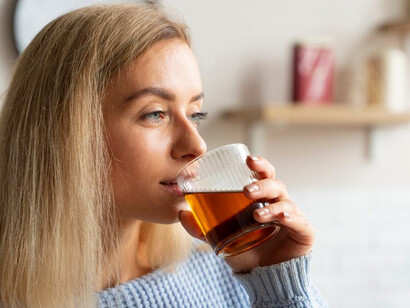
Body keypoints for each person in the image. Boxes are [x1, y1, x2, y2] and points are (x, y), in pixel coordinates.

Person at [0, 3, 327, 308]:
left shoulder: (224, 275)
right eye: (155, 114)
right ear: (66, 133)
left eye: (195, 114)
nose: (197, 146)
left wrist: (280, 285)